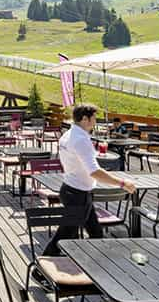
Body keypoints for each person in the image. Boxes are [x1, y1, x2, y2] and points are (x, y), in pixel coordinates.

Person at [42, 104, 136, 256]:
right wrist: (122, 183)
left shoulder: (68, 134)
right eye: (94, 118)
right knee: (64, 235)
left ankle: (97, 263)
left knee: (95, 232)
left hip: (74, 190)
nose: (95, 122)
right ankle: (40, 269)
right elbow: (94, 172)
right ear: (85, 119)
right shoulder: (80, 140)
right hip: (77, 194)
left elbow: (78, 160)